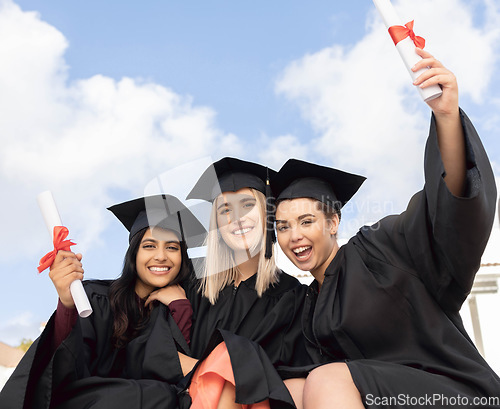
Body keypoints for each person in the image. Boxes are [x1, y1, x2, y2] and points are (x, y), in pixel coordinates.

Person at [272, 48, 500, 408]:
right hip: (372, 399)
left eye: (306, 221)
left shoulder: (382, 248)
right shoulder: (308, 309)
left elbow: (447, 212)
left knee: (325, 379)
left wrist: (446, 119)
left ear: (333, 222)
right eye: (282, 227)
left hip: (451, 395)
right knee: (292, 391)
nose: (294, 235)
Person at [0, 194, 206, 409]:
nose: (161, 256)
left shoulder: (178, 306)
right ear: (134, 253)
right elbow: (64, 365)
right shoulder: (97, 297)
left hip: (156, 402)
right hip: (89, 403)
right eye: (149, 246)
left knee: (165, 394)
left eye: (172, 247)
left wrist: (179, 306)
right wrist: (67, 304)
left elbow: (176, 373)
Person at [183, 158, 311, 408]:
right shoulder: (193, 289)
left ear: (266, 212)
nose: (237, 218)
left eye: (247, 205)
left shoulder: (292, 296)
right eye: (225, 210)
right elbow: (160, 357)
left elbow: (286, 376)